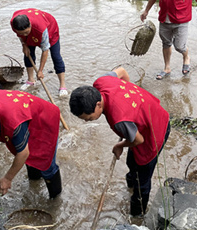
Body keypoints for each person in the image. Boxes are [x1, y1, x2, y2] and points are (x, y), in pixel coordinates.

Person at [69, 67, 170, 217]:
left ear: (98, 105)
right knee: (132, 162)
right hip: (147, 114)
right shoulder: (101, 82)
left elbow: (139, 140)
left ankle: (137, 215)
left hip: (155, 130)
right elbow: (122, 71)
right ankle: (130, 185)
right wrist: (129, 103)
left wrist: (119, 145)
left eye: (89, 118)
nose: (87, 121)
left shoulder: (119, 119)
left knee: (142, 179)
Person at [0, 89, 62, 199]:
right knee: (30, 159)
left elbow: (23, 153)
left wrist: (8, 178)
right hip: (25, 113)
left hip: (44, 119)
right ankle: (35, 180)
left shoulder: (14, 124)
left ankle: (55, 199)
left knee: (44, 162)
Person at [10, 8, 68, 97]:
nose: (25, 35)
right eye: (22, 33)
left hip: (50, 28)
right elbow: (21, 35)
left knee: (56, 56)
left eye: (26, 32)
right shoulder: (14, 23)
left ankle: (62, 86)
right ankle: (31, 80)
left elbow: (45, 50)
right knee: (28, 54)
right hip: (33, 28)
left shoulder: (41, 29)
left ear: (30, 25)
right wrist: (24, 44)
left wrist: (40, 71)